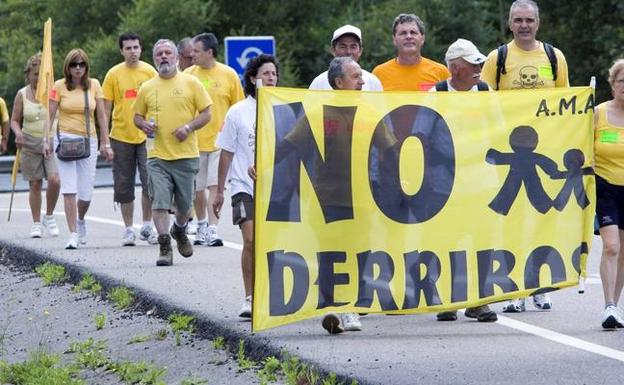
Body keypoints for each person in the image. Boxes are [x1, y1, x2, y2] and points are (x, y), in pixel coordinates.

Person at [481, 0, 569, 312]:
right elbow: (482, 103)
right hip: (508, 151)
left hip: (544, 148)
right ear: (509, 23)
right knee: (512, 223)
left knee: (541, 222)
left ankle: (539, 286)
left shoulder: (554, 57)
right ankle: (514, 287)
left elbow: (565, 106)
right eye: (518, 20)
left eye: (529, 20)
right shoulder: (497, 58)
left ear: (538, 23)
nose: (524, 25)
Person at [428, 39, 497, 323]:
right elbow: (425, 138)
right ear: (455, 68)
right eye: (473, 63)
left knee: (481, 240)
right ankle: (449, 299)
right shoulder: (437, 93)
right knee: (449, 241)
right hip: (446, 182)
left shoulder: (485, 90)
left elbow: (499, 126)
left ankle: (479, 301)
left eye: (479, 62)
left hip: (480, 180)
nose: (479, 67)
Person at [133, 39, 212, 266]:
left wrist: (188, 127)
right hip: (157, 156)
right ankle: (164, 245)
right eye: (159, 54)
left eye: (168, 53)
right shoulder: (147, 87)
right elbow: (136, 116)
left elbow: (207, 113)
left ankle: (179, 230)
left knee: (185, 207)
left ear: (177, 57)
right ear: (155, 58)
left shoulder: (191, 82)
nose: (164, 57)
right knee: (159, 201)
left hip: (186, 155)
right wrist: (143, 125)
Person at [213, 54, 278, 318]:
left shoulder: (284, 109)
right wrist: (219, 191)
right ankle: (250, 298)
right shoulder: (238, 112)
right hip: (243, 186)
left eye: (274, 74)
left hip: (276, 187)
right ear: (253, 78)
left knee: (272, 243)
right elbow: (226, 153)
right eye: (266, 74)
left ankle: (271, 295)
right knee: (250, 240)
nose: (271, 79)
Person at [43, 48, 114, 249]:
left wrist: (105, 142)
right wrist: (45, 140)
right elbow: (49, 114)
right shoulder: (59, 86)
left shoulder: (94, 85)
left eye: (81, 64)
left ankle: (81, 219)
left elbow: (101, 116)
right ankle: (73, 233)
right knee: (69, 189)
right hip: (64, 139)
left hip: (88, 140)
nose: (78, 68)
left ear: (86, 66)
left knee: (86, 193)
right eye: (74, 64)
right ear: (68, 67)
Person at [185, 32, 244, 247]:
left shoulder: (229, 75)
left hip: (221, 142)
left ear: (209, 52)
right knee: (197, 189)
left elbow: (238, 108)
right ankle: (200, 225)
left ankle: (212, 228)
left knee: (214, 186)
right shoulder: (189, 75)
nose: (192, 55)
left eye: (196, 51)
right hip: (194, 142)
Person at [102, 32, 158, 247]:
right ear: (121, 51)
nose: (133, 52)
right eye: (128, 48)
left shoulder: (150, 72)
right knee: (124, 184)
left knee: (149, 181)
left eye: (136, 47)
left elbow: (157, 102)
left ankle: (147, 225)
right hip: (121, 136)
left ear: (141, 49)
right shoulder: (113, 74)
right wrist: (104, 141)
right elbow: (105, 110)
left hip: (146, 136)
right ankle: (128, 229)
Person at [10, 53, 60, 238]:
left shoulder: (54, 92)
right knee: (35, 184)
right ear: (29, 75)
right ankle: (36, 223)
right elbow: (15, 120)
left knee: (54, 180)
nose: (39, 78)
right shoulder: (22, 94)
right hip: (29, 141)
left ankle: (49, 215)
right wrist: (18, 133)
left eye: (43, 74)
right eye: (35, 74)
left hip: (51, 140)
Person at [594, 59, 624, 329]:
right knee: (612, 246)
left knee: (623, 251)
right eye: (621, 81)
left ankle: (615, 307)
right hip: (605, 188)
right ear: (613, 84)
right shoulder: (598, 113)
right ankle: (608, 305)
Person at [372, 13, 450, 91]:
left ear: (422, 38)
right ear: (394, 39)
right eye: (403, 33)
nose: (408, 36)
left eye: (413, 32)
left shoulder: (441, 72)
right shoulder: (378, 74)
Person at [309, 24, 383, 91]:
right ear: (333, 50)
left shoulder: (373, 82)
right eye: (343, 46)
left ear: (360, 51)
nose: (348, 52)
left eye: (353, 47)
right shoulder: (318, 83)